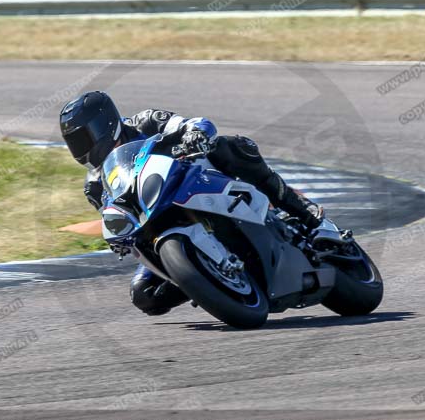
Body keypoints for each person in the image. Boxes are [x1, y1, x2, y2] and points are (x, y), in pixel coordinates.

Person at [60, 91, 323, 316]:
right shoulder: (94, 184)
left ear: (104, 124)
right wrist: (117, 236)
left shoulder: (146, 122)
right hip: (157, 224)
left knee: (231, 146)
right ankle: (207, 280)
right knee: (144, 295)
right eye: (74, 143)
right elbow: (116, 217)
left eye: (83, 138)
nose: (80, 148)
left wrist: (195, 133)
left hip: (200, 183)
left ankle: (304, 212)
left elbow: (195, 123)